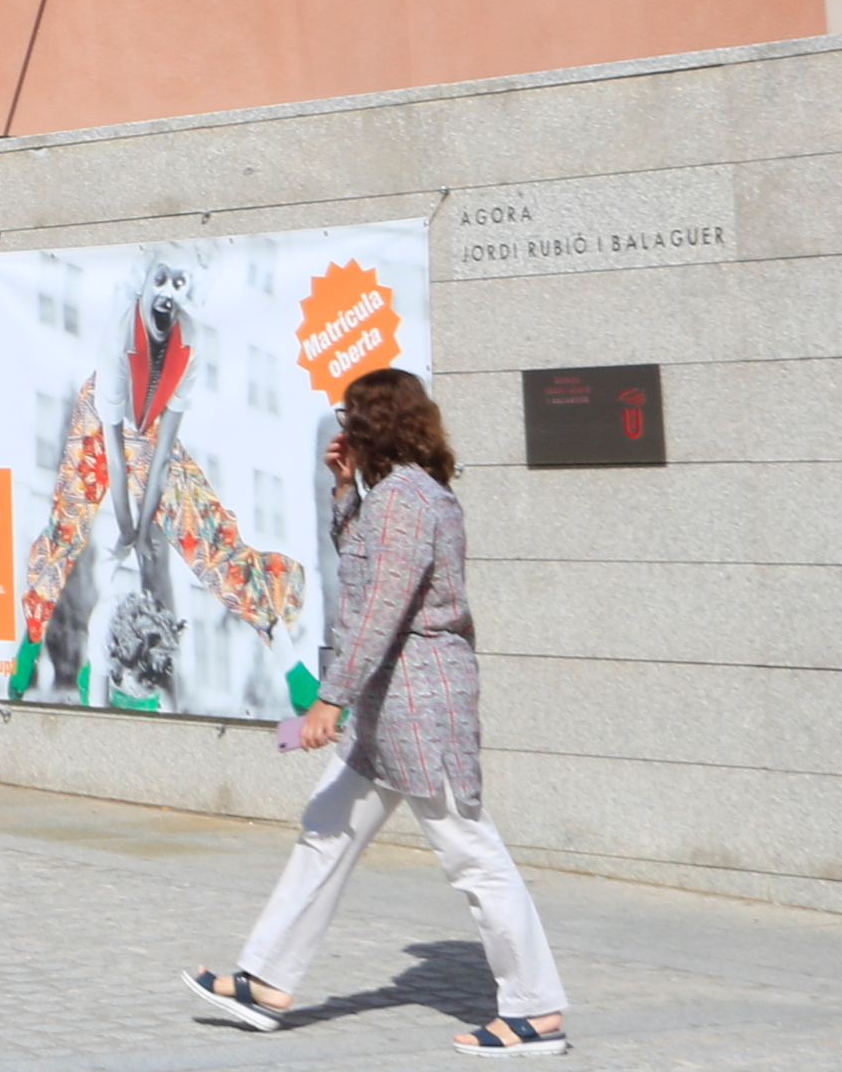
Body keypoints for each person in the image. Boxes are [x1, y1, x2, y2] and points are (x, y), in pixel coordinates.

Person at [187, 367, 570, 1056]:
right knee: (325, 827)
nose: (340, 427)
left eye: (349, 416)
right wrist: (343, 488)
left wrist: (328, 699)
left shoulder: (406, 499)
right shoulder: (397, 495)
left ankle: (536, 1009)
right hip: (385, 714)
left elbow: (378, 610)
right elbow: (362, 568)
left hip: (419, 707)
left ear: (376, 422)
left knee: (473, 854)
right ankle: (266, 981)